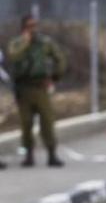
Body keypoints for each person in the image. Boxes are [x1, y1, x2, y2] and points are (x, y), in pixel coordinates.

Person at [7, 14, 66, 167]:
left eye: (34, 26)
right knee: (26, 123)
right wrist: (24, 43)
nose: (32, 29)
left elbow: (59, 58)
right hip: (23, 89)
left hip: (41, 88)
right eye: (29, 26)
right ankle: (29, 155)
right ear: (23, 28)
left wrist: (54, 77)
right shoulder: (16, 43)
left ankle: (52, 154)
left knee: (47, 121)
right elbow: (12, 56)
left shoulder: (45, 43)